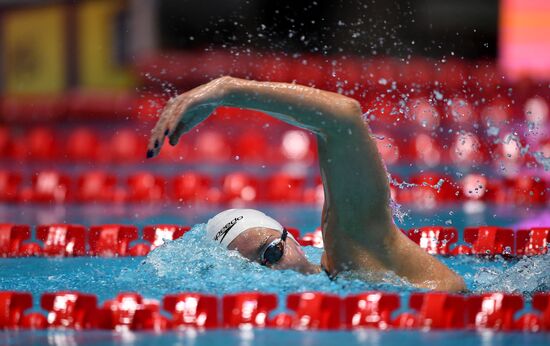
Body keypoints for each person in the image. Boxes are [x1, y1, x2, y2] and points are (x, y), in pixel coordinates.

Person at [146, 76, 466, 292]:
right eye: (251, 271)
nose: (271, 272)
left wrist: (226, 90)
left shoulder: (352, 249)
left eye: (271, 253)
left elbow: (343, 116)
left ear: (294, 240)